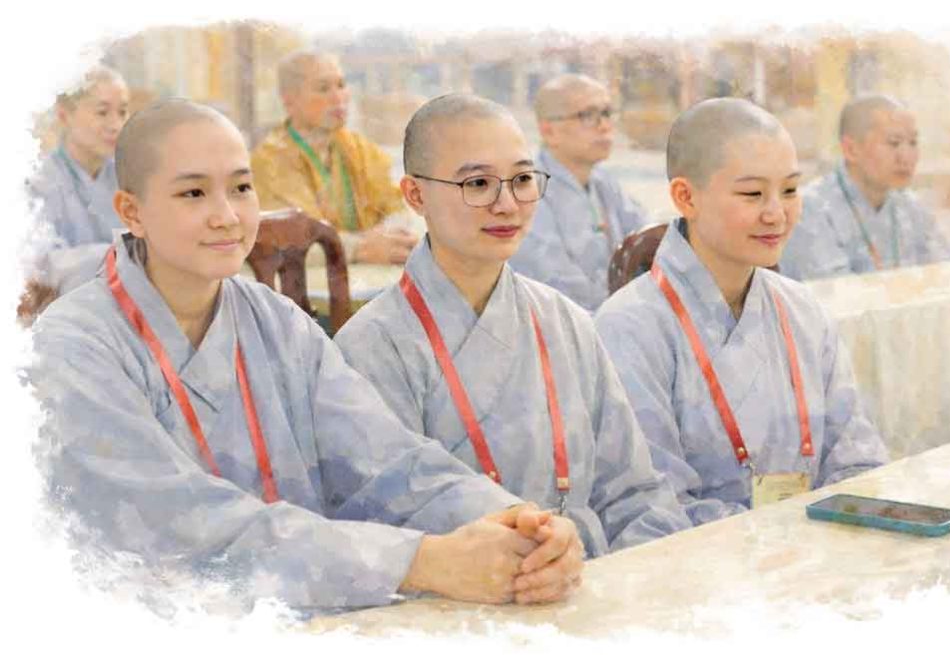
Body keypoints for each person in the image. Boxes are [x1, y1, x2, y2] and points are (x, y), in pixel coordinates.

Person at [30, 98, 583, 611]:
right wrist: (418, 562)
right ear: (131, 211)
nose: (227, 215)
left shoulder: (276, 321)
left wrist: (517, 523)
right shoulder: (72, 346)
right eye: (193, 194)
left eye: (241, 188)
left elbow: (387, 460)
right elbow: (177, 526)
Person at [334, 94, 691, 558]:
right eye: (478, 184)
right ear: (416, 195)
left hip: (592, 578)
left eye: (522, 180)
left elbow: (635, 493)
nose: (507, 205)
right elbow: (385, 534)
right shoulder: (372, 347)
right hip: (464, 594)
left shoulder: (566, 321)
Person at [595, 98, 888, 525]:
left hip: (817, 548)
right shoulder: (628, 327)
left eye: (790, 190)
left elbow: (857, 459)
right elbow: (651, 507)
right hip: (705, 559)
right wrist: (781, 535)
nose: (776, 213)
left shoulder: (803, 310)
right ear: (685, 197)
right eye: (752, 194)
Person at [250, 50, 418, 265]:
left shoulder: (359, 148)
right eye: (323, 88)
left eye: (341, 85)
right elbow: (288, 240)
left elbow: (397, 208)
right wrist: (359, 249)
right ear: (289, 100)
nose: (338, 98)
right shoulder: (269, 160)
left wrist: (388, 236)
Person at [777, 95, 950, 280]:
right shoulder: (809, 209)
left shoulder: (910, 205)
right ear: (851, 149)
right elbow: (831, 291)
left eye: (913, 142)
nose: (906, 156)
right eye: (894, 143)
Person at [509, 74, 650, 311]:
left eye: (607, 113)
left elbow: (648, 240)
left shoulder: (603, 182)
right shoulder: (527, 191)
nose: (604, 126)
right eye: (588, 116)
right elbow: (556, 287)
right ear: (549, 131)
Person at [27, 65, 129, 294]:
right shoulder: (38, 183)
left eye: (122, 112)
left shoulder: (130, 176)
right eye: (102, 112)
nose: (116, 125)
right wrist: (124, 255)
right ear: (65, 115)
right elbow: (42, 267)